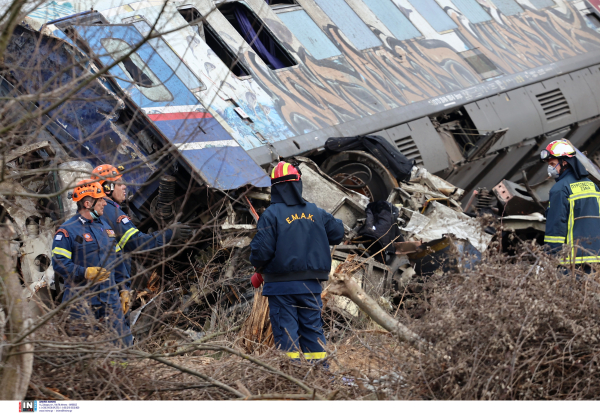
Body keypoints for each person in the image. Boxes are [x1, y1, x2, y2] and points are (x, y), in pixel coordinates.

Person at [249, 161, 344, 362]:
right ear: (298, 183)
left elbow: (261, 252)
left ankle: (289, 379)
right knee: (313, 333)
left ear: (274, 187)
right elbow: (338, 233)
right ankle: (319, 378)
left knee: (287, 337)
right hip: (310, 287)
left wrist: (258, 268)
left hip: (281, 289)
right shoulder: (316, 212)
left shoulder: (271, 215)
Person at [90, 164, 193, 315]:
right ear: (107, 188)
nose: (124, 186)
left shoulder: (99, 210)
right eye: (119, 183)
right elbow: (138, 244)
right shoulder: (111, 212)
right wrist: (171, 233)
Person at [51, 180, 132, 346]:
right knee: (86, 354)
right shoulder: (67, 231)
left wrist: (125, 289)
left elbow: (118, 262)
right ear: (88, 203)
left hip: (110, 302)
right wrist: (85, 272)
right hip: (82, 305)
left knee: (123, 348)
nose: (104, 202)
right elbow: (59, 263)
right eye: (100, 199)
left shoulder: (105, 228)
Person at [541, 139, 600, 268]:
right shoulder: (593, 186)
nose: (550, 168)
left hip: (572, 262)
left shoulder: (560, 189)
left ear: (565, 162)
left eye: (552, 163)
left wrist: (551, 256)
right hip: (596, 258)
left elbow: (556, 227)